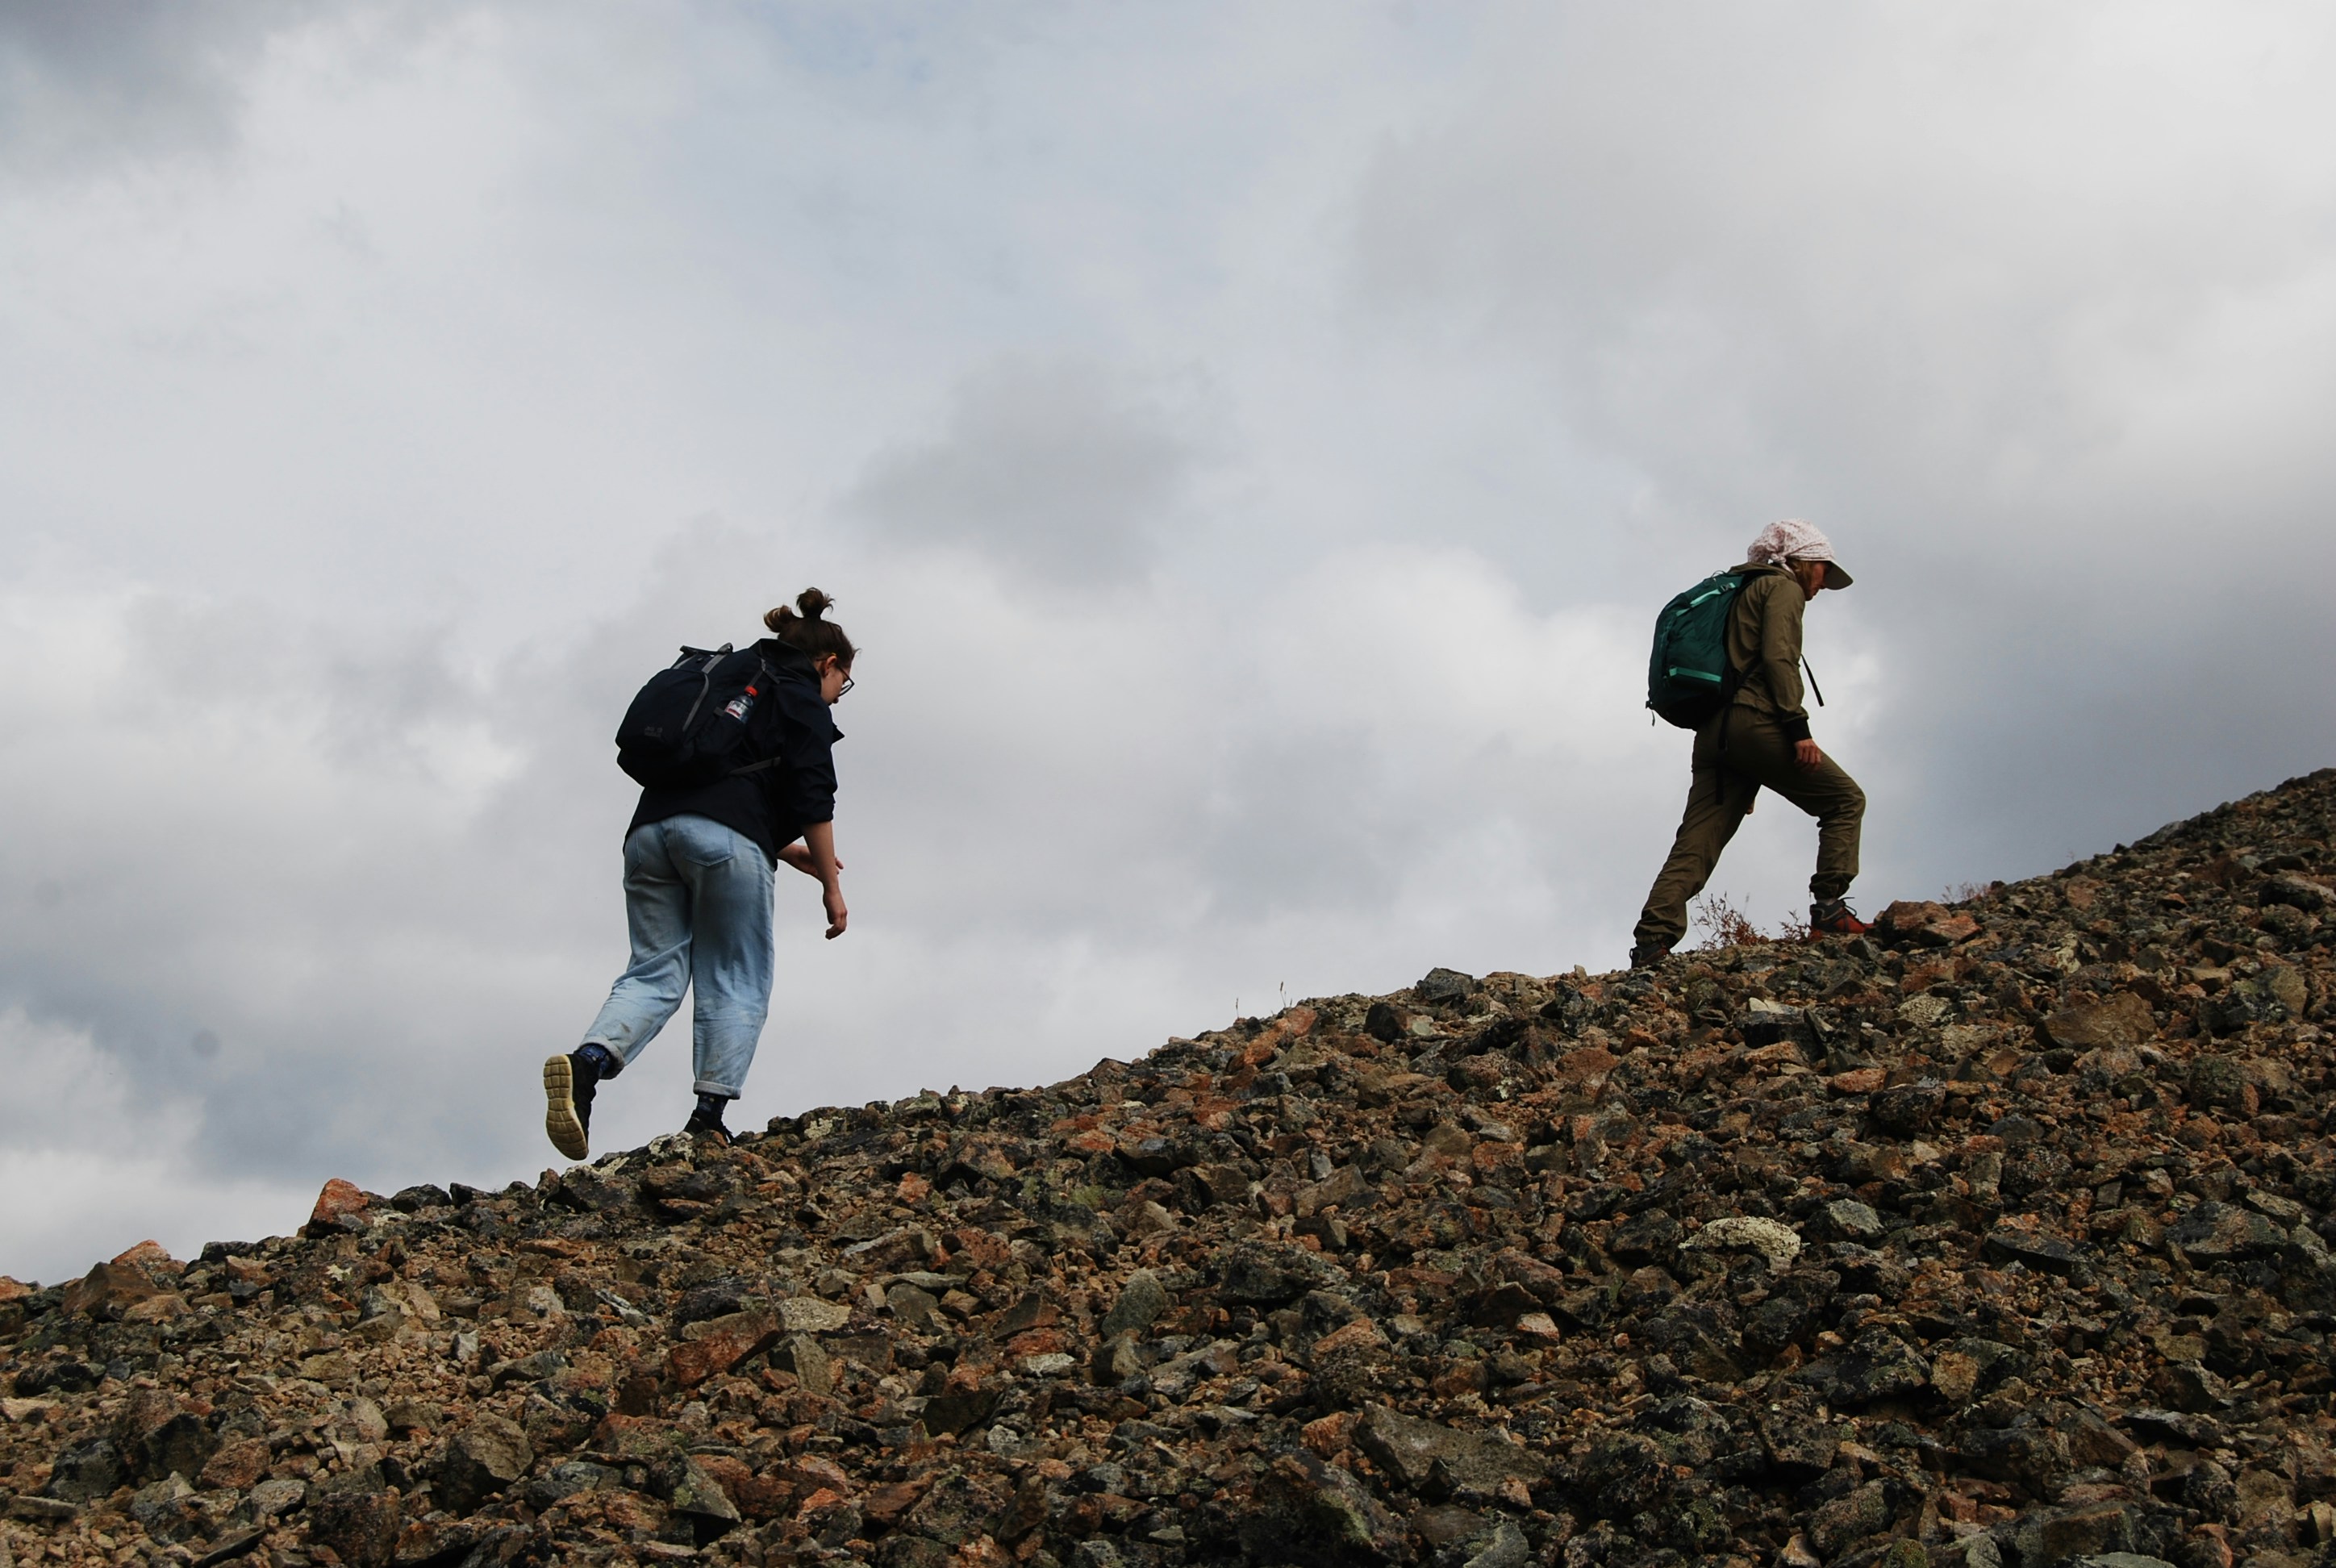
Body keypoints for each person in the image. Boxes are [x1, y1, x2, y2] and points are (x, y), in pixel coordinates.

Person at [543, 589, 853, 1156]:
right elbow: (813, 791)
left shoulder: (730, 671)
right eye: (843, 685)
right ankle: (707, 1119)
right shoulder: (800, 692)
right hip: (727, 841)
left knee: (652, 972)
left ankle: (586, 1064)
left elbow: (719, 773)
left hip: (650, 835)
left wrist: (785, 850)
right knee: (736, 973)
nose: (838, 697)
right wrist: (831, 887)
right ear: (828, 665)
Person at [1631, 520, 1867, 968]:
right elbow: (1778, 658)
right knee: (1844, 801)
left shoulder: (1739, 586)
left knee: (1697, 841)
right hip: (1757, 721)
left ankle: (1651, 942)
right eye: (1821, 571)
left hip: (1714, 733)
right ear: (1800, 561)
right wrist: (1798, 730)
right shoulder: (1783, 589)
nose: (1822, 585)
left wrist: (1752, 773)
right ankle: (1831, 909)